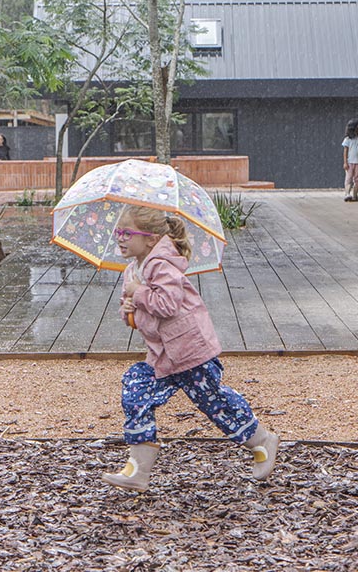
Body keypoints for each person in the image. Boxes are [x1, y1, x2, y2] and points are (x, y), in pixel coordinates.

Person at [101, 205, 280, 492]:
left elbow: (168, 305)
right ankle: (138, 469)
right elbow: (139, 315)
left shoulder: (163, 265)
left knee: (215, 402)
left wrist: (139, 293)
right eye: (117, 232)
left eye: (126, 233)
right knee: (135, 390)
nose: (119, 238)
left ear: (149, 239)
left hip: (189, 351)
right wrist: (128, 310)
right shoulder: (133, 269)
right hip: (162, 356)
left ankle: (262, 441)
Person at [341, 118, 358, 201]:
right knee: (349, 178)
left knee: (357, 179)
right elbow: (345, 151)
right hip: (350, 162)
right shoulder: (347, 140)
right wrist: (345, 162)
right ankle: (347, 194)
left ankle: (355, 195)